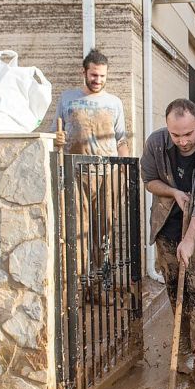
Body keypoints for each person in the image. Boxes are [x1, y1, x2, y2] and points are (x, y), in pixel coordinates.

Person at [140, 99, 195, 384]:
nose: (183, 141)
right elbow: (149, 179)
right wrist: (173, 192)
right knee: (176, 287)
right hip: (166, 224)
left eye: (188, 133)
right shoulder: (156, 143)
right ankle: (185, 345)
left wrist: (189, 239)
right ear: (168, 128)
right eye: (176, 135)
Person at [54, 49, 130, 301]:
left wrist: (123, 172)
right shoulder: (67, 99)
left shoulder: (114, 102)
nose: (98, 79)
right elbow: (56, 136)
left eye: (102, 75)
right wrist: (58, 140)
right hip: (75, 175)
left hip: (106, 175)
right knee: (76, 231)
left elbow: (121, 141)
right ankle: (77, 289)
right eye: (94, 74)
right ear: (84, 72)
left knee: (103, 233)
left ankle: (100, 288)